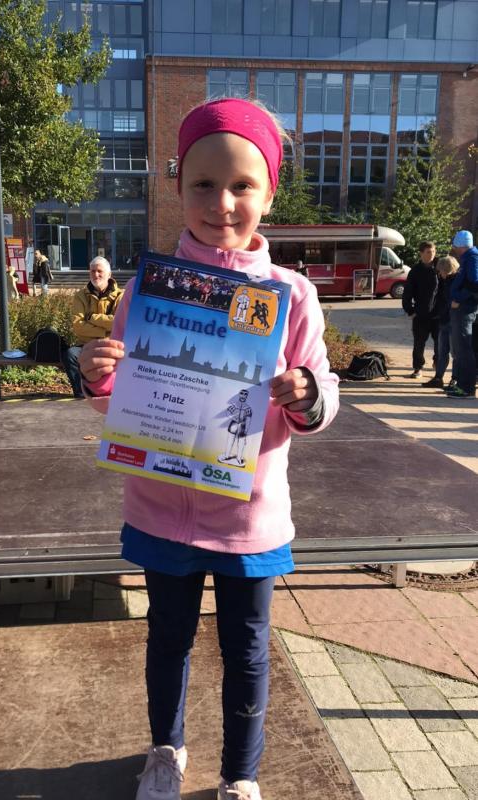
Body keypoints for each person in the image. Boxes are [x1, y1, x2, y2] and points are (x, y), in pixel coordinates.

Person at [78, 98, 340, 800]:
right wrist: (97, 376)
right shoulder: (149, 290)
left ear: (270, 193)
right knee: (167, 638)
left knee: (247, 650)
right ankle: (165, 751)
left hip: (248, 518)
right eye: (203, 183)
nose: (222, 202)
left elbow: (325, 391)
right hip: (161, 511)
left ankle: (240, 775)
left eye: (242, 185)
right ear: (177, 186)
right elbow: (122, 399)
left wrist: (306, 394)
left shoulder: (292, 296)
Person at [63, 256, 123, 399]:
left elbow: (120, 323)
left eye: (99, 271)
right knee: (70, 354)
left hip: (111, 345)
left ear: (109, 274)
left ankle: (112, 391)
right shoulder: (80, 296)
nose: (95, 274)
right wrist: (105, 330)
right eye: (92, 271)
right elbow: (78, 326)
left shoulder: (121, 296)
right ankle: (81, 394)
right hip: (86, 345)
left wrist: (92, 318)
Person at [402, 241, 440, 379]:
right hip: (420, 314)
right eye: (428, 252)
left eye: (434, 251)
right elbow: (407, 293)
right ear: (421, 253)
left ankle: (438, 365)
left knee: (440, 343)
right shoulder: (415, 271)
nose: (432, 254)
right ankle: (418, 368)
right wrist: (410, 311)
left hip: (438, 314)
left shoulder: (440, 267)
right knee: (419, 343)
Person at [447, 230, 478, 398]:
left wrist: (459, 298)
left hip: (464, 309)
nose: (454, 250)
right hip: (464, 308)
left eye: (455, 246)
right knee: (462, 349)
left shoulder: (472, 258)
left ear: (461, 246)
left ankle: (467, 387)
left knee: (463, 348)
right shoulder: (469, 257)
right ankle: (462, 384)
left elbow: (474, 284)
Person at [422, 256, 459, 390]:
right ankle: (438, 378)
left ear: (447, 270)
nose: (439, 273)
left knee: (455, 353)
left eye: (441, 271)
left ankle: (455, 379)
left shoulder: (456, 281)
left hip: (453, 321)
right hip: (444, 319)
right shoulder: (444, 281)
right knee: (442, 351)